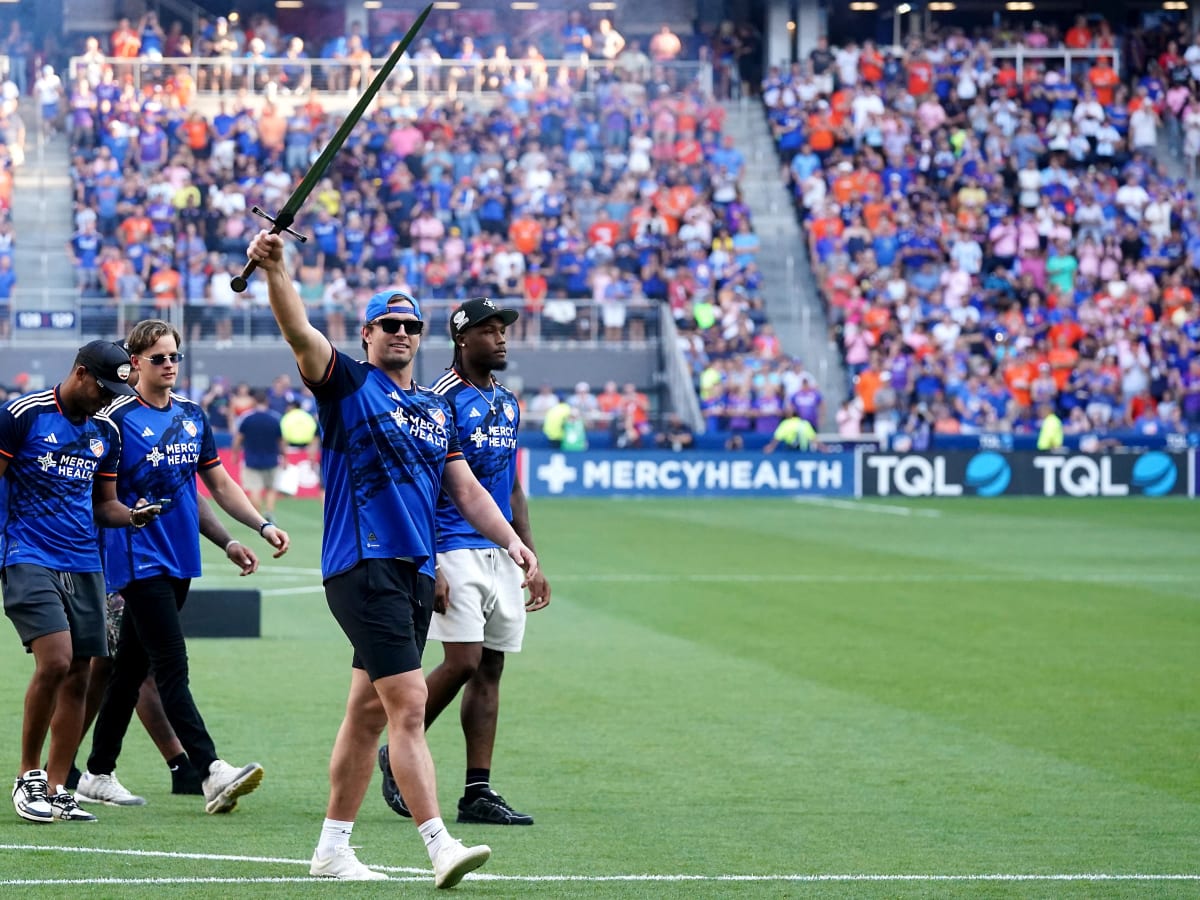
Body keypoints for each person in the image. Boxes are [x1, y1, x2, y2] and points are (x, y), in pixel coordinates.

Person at [247, 231, 538, 885]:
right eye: (389, 324)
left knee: (366, 713)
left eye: (410, 325)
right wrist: (277, 270)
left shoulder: (436, 410)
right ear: (368, 333)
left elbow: (463, 490)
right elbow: (300, 333)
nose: (401, 333)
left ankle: (331, 849)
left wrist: (513, 541)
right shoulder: (350, 386)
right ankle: (439, 844)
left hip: (413, 570)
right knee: (408, 705)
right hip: (363, 565)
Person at [79, 319, 290, 814]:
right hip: (137, 559)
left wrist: (251, 531)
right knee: (172, 666)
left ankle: (96, 772)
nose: (170, 365)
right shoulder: (115, 420)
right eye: (159, 358)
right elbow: (97, 496)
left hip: (180, 560)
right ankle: (210, 770)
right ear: (134, 364)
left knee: (129, 670)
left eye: (174, 357)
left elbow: (212, 487)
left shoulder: (193, 417)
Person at [378, 298, 551, 826]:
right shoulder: (439, 401)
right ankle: (396, 746)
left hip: (500, 551)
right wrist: (431, 563)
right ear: (461, 339)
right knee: (464, 660)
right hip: (453, 546)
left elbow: (513, 485)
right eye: (490, 331)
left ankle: (478, 791)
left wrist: (530, 553)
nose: (501, 339)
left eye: (503, 331)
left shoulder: (508, 401)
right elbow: (425, 484)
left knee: (491, 666)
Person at [1, 341, 161, 823]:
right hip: (27, 554)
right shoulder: (22, 415)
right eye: (102, 388)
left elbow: (103, 505)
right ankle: (28, 776)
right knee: (56, 662)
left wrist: (132, 516)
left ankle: (57, 786)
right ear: (79, 373)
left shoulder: (105, 433)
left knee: (82, 674)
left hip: (85, 561)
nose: (106, 399)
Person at [232, 389, 284, 522]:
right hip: (272, 458)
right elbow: (281, 440)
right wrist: (285, 456)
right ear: (267, 402)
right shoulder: (275, 418)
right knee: (271, 488)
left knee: (255, 489)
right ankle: (269, 512)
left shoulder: (247, 418)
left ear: (254, 402)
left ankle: (259, 517)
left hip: (252, 459)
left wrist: (235, 454)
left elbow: (238, 438)